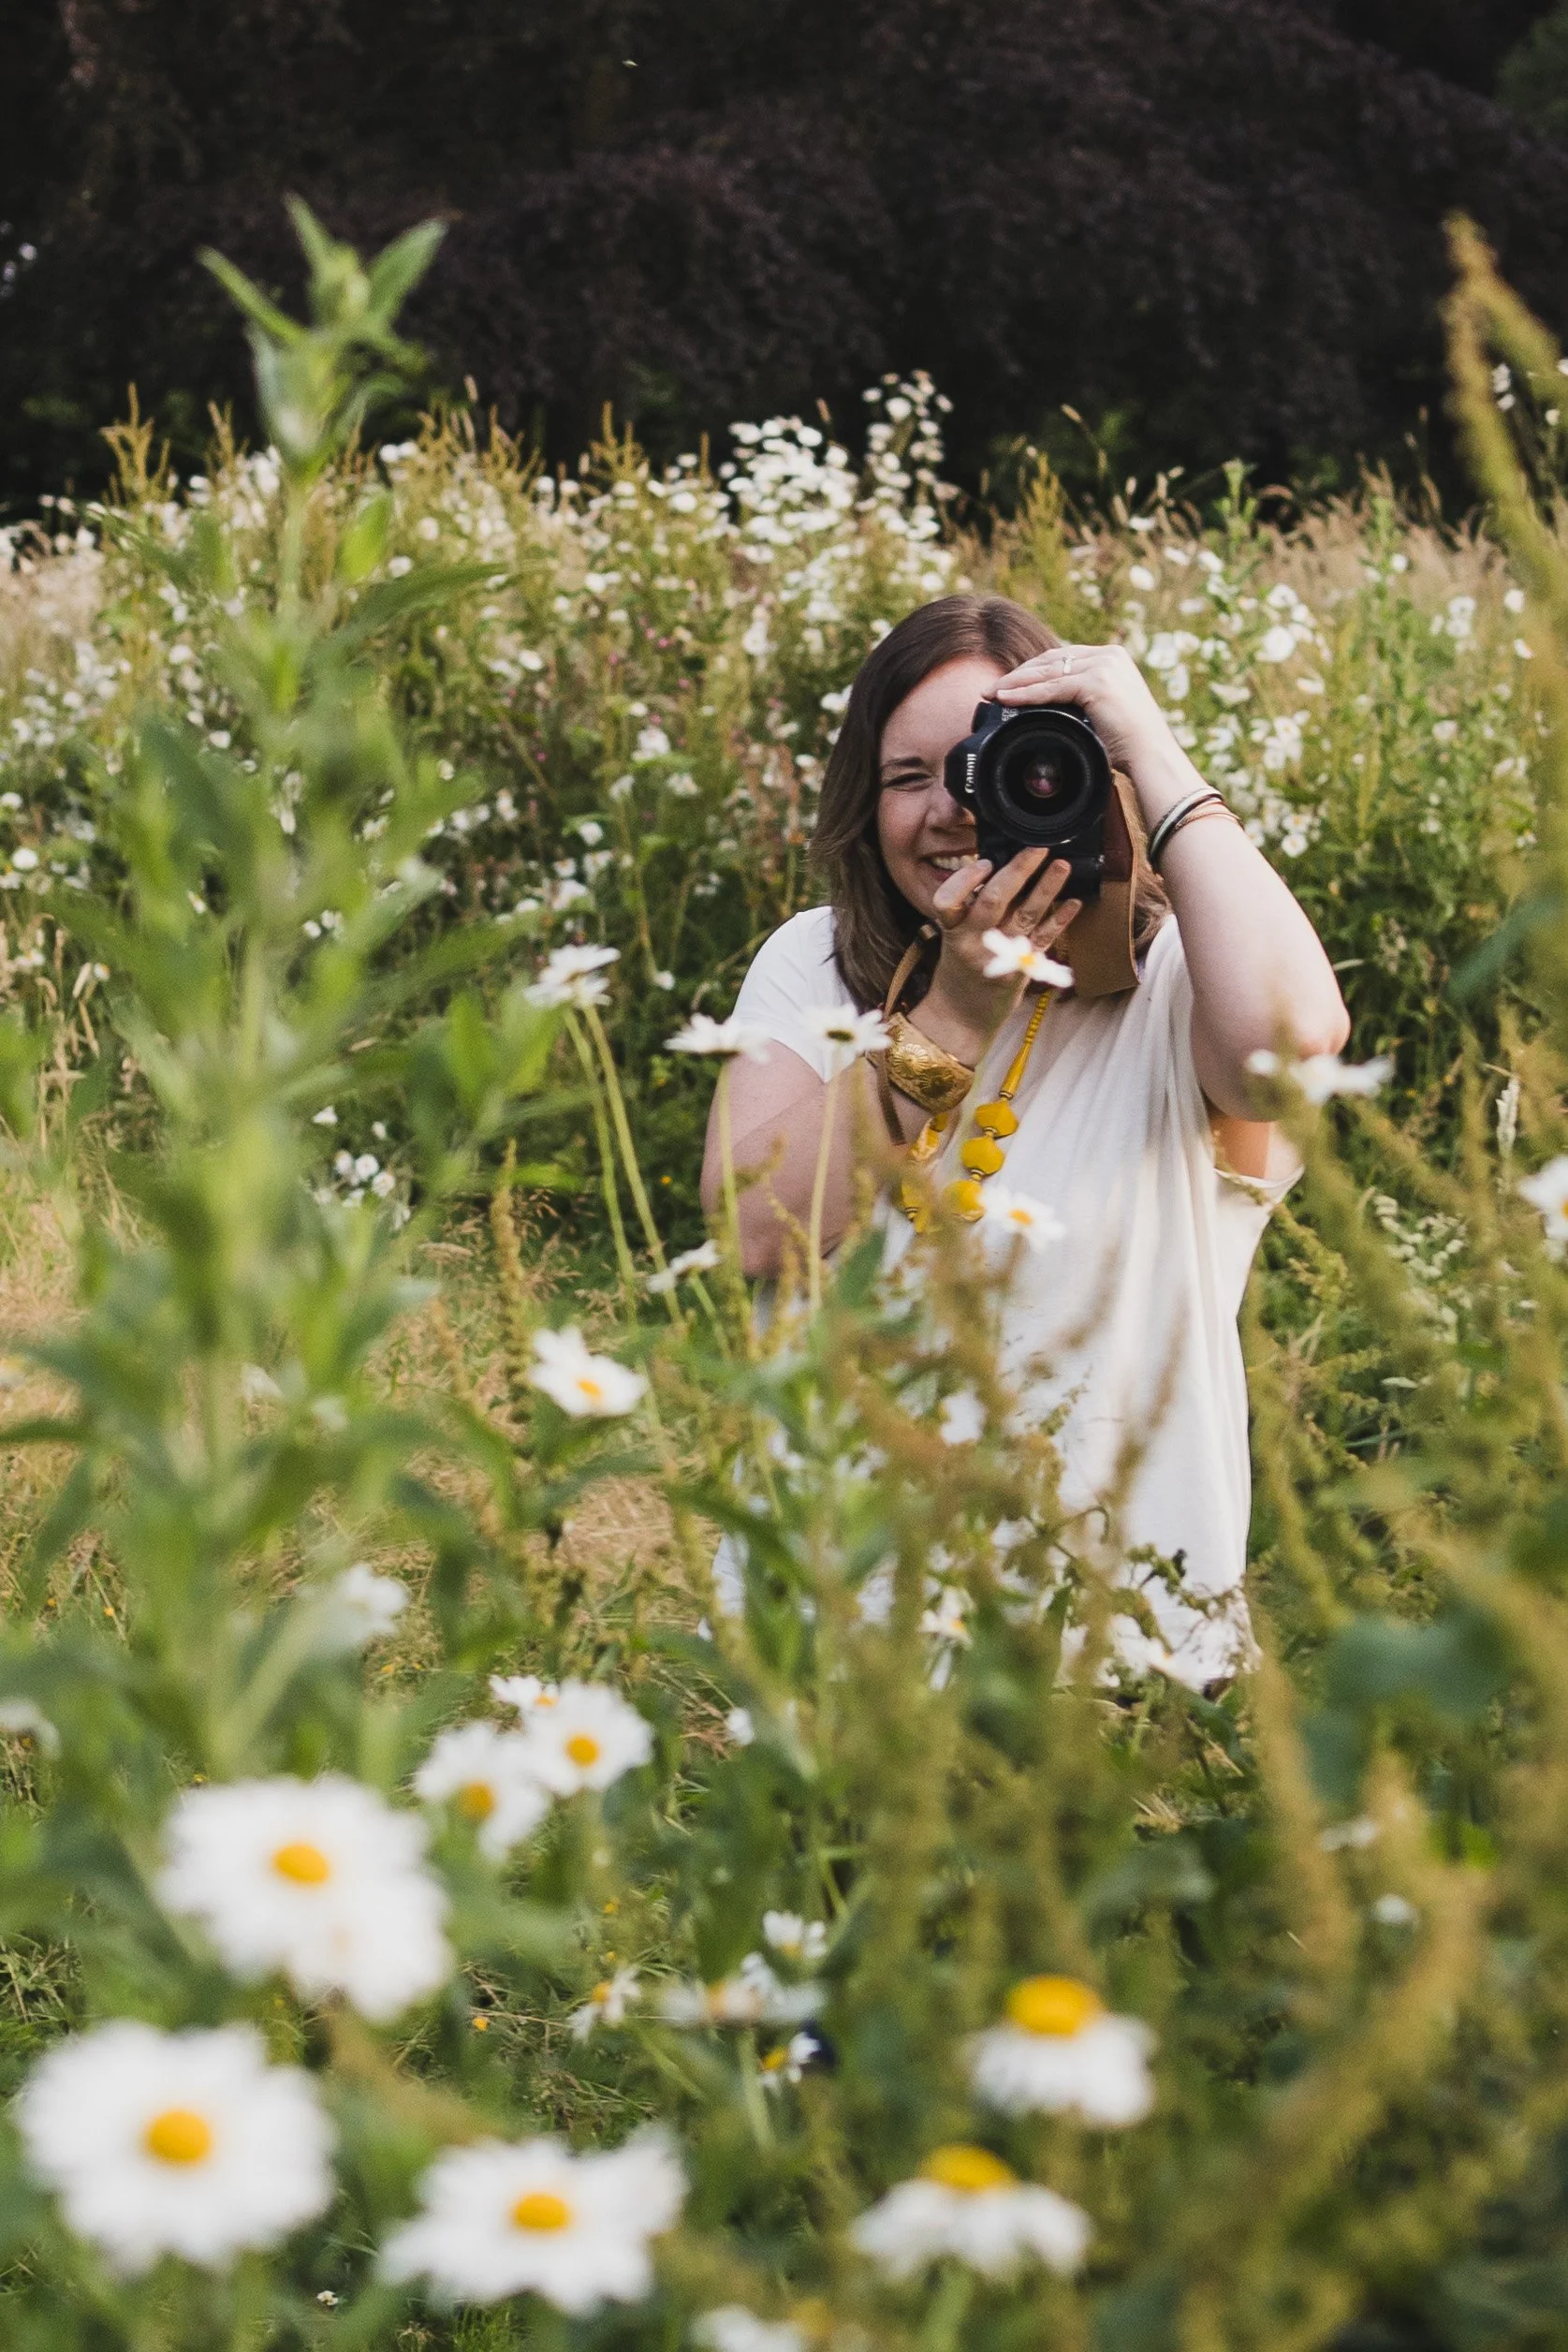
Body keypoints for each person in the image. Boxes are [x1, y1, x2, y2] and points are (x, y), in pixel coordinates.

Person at [698, 594, 1349, 1686]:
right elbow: (756, 1231)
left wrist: (1156, 752)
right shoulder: (817, 966)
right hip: (833, 1632)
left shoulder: (1184, 979)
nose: (957, 809)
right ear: (866, 805)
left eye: (1001, 766)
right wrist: (954, 1006)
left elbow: (1287, 1053)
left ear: (1097, 780)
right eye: (911, 778)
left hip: (1107, 1657)